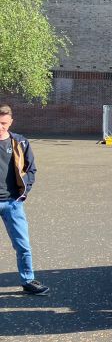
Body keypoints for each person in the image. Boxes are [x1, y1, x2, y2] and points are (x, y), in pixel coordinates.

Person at [0, 105, 49, 295]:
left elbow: (30, 169)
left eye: (4, 123)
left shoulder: (20, 142)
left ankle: (28, 281)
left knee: (23, 245)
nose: (0, 127)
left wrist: (23, 192)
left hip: (13, 203)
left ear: (11, 122)